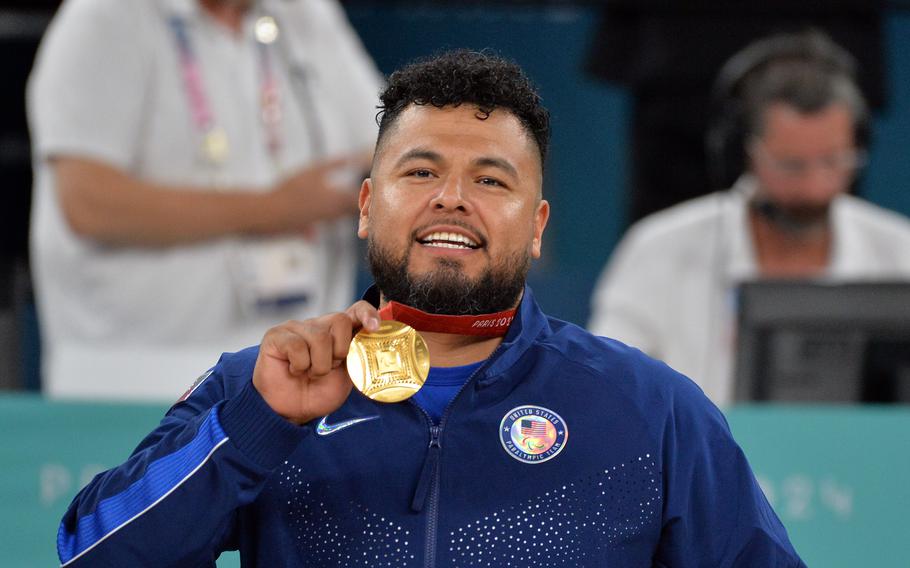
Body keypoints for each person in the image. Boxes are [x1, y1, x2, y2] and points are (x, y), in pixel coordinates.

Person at [56, 50, 805, 567]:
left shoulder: (650, 409)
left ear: (537, 226)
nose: (451, 196)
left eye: (491, 179)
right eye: (420, 170)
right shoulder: (262, 387)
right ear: (365, 206)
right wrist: (257, 427)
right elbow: (93, 553)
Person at [27, 0, 383, 399]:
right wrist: (277, 208)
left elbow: (389, 143)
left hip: (297, 369)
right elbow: (90, 203)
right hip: (129, 376)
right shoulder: (105, 16)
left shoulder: (306, 13)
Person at [588, 31, 910, 406]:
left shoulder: (900, 252)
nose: (815, 188)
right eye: (791, 165)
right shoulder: (658, 250)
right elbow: (604, 391)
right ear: (743, 150)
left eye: (835, 161)